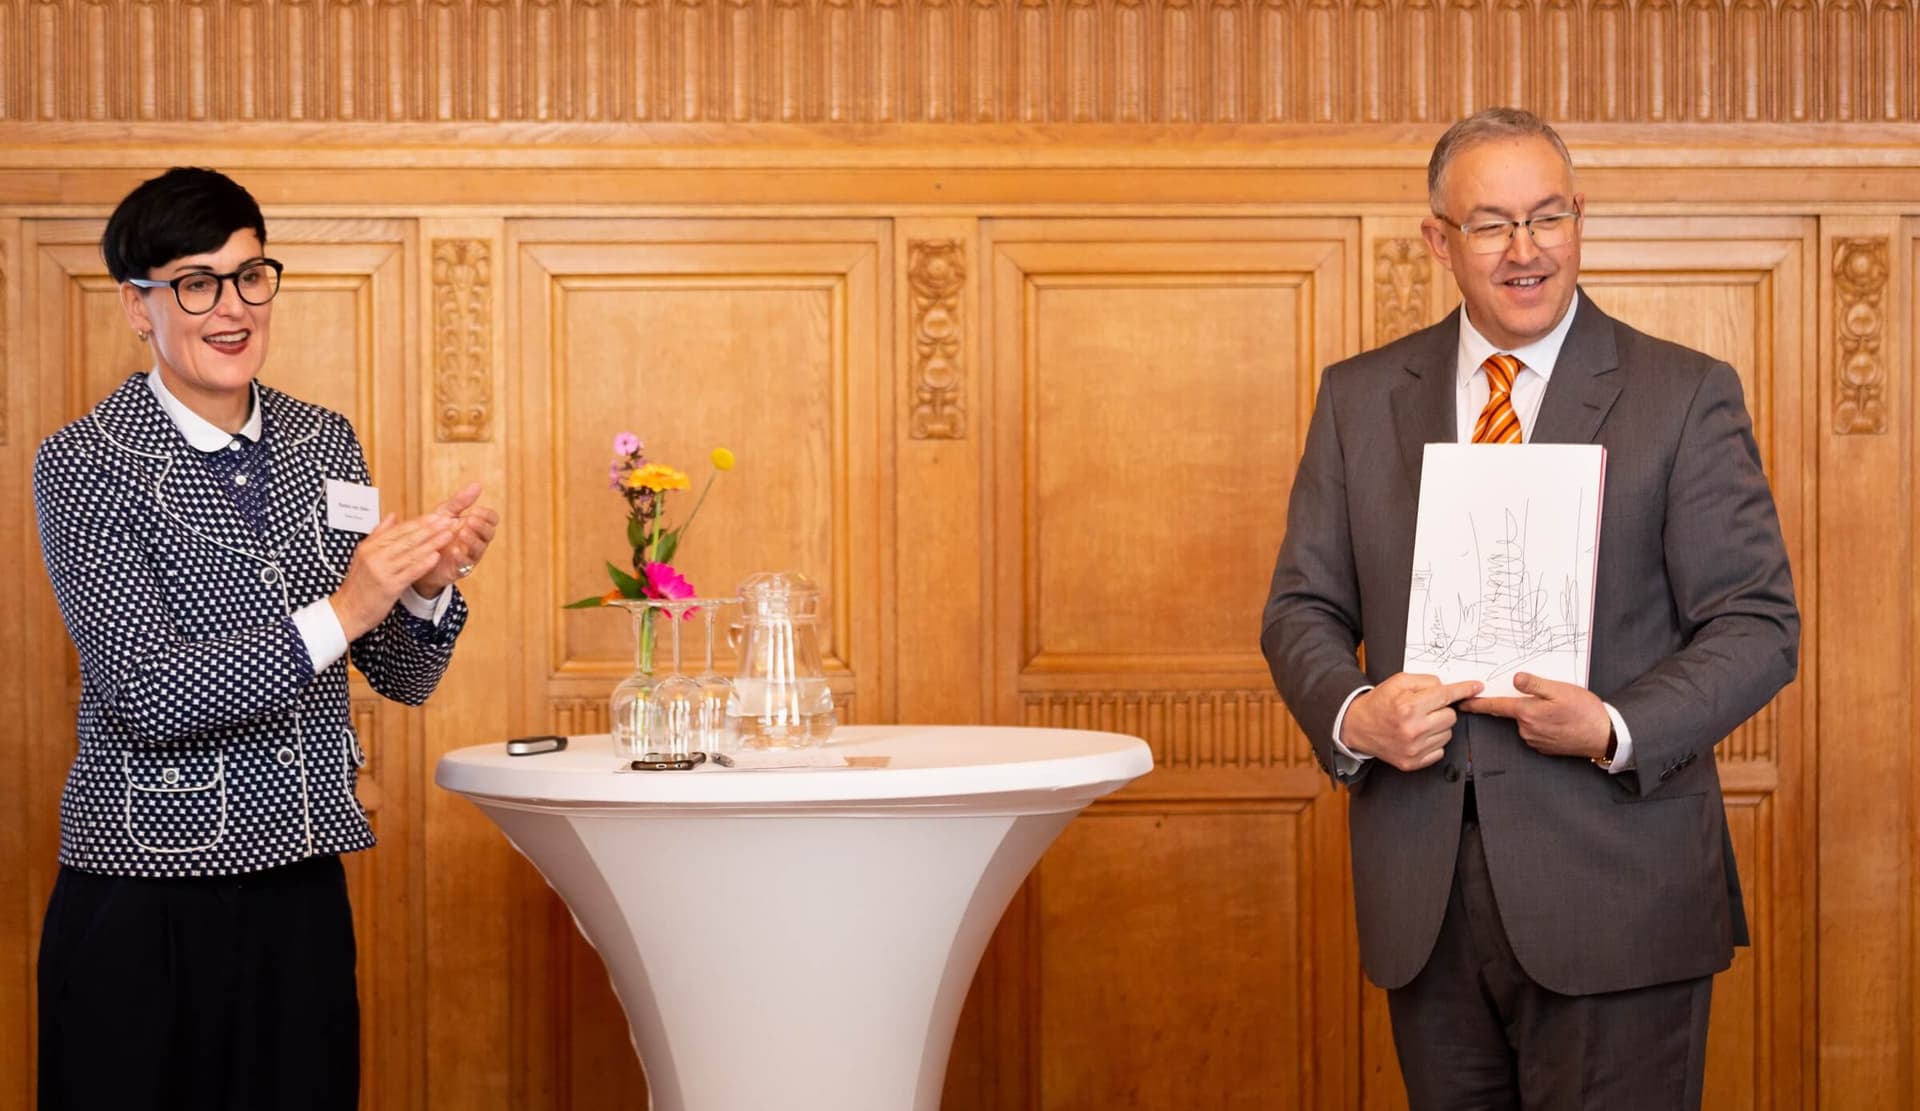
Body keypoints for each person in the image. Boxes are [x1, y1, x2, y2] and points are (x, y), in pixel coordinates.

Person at [1261, 108, 1798, 1109]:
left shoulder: (1683, 394)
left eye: (1548, 218)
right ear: (1438, 240)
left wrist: (1615, 723)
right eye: (1492, 224)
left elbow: (1758, 622)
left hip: (1620, 887)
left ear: (1579, 221)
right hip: (1423, 901)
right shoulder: (1359, 399)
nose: (1525, 250)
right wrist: (1354, 712)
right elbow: (1301, 608)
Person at [32, 167, 500, 1111]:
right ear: (139, 306)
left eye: (251, 276)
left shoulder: (324, 441)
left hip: (299, 878)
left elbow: (399, 678)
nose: (231, 307)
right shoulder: (84, 461)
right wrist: (350, 603)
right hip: (143, 886)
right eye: (196, 284)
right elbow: (146, 693)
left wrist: (424, 590)